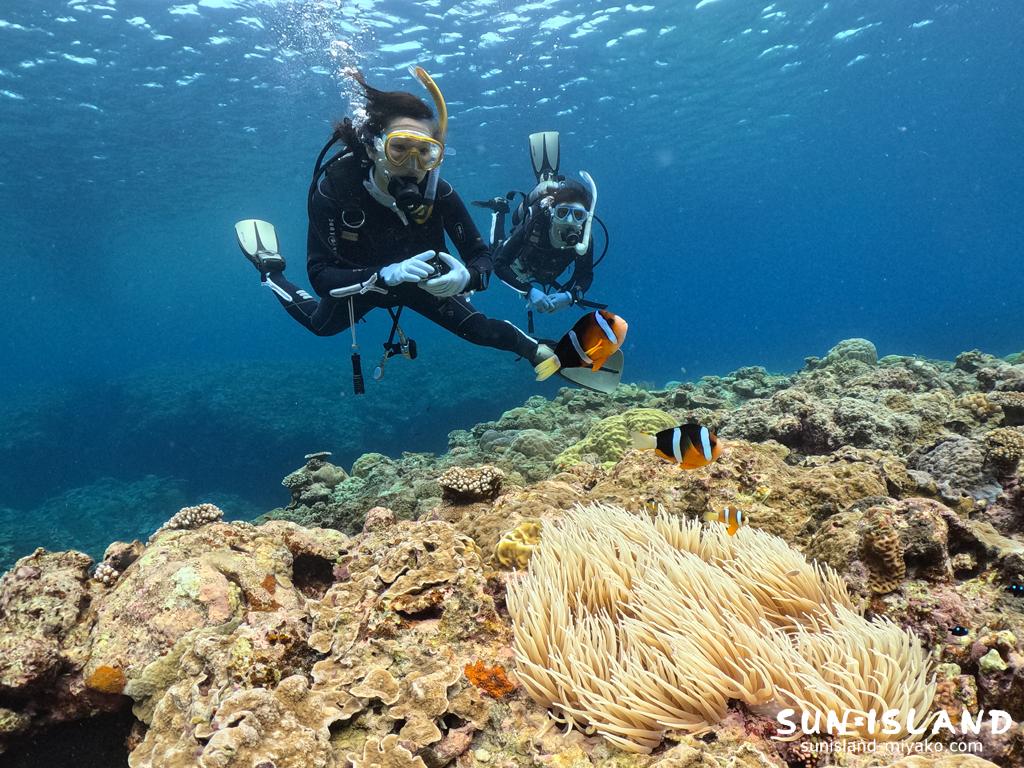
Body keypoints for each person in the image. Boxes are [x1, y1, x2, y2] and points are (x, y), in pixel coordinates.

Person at [237, 67, 552, 389]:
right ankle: (271, 270)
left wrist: (467, 276)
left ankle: (540, 351)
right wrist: (384, 274)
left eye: (425, 152)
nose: (413, 164)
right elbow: (321, 275)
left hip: (424, 282)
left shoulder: (439, 192)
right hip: (363, 282)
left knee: (480, 329)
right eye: (399, 148)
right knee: (320, 325)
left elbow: (481, 256)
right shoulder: (335, 191)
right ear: (374, 147)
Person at [474, 131, 605, 323]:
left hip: (545, 272)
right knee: (495, 250)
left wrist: (569, 297)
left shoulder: (584, 235)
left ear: (585, 218)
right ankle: (499, 209)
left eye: (578, 215)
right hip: (523, 263)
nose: (570, 221)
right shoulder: (537, 219)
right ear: (552, 211)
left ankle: (546, 178)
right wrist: (527, 291)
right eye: (562, 212)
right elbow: (500, 264)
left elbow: (585, 275)